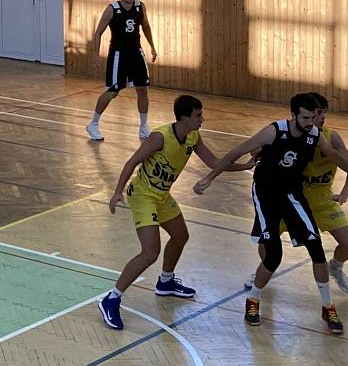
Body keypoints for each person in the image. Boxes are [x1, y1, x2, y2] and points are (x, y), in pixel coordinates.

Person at [193, 93, 348, 334]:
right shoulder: (274, 131)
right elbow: (237, 151)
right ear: (294, 115)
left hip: (293, 193)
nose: (310, 122)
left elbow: (334, 155)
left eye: (313, 117)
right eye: (305, 117)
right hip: (266, 193)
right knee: (273, 255)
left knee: (316, 249)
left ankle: (328, 307)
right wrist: (209, 178)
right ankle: (253, 300)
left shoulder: (315, 135)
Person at [98, 95, 255, 330]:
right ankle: (111, 298)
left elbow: (214, 162)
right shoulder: (159, 137)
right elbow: (131, 162)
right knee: (150, 252)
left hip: (161, 196)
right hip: (143, 196)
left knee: (181, 236)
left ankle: (166, 282)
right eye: (198, 115)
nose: (202, 119)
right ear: (184, 118)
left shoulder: (193, 136)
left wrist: (244, 166)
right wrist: (117, 191)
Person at [244, 93, 348, 294]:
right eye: (318, 113)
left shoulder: (329, 137)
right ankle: (264, 270)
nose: (322, 117)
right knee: (266, 241)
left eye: (324, 113)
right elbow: (258, 151)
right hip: (292, 197)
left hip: (323, 199)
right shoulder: (290, 134)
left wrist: (347, 192)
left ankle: (336, 267)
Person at [86, 0, 156, 141]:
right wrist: (95, 55)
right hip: (118, 55)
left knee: (143, 89)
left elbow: (146, 26)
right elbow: (97, 33)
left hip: (136, 53)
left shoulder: (140, 7)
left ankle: (144, 127)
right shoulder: (112, 9)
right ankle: (93, 124)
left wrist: (152, 46)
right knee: (113, 91)